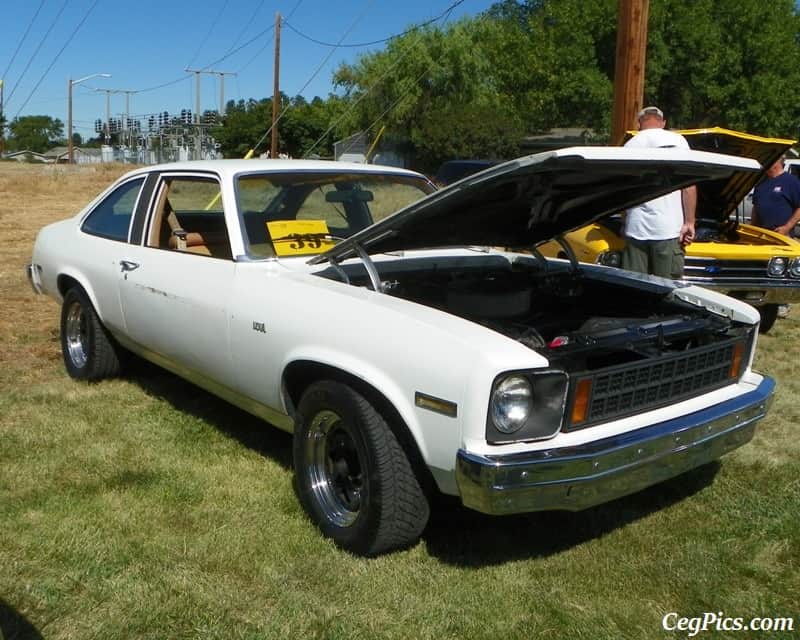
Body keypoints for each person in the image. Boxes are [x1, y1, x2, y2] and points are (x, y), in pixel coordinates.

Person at [622, 106, 697, 278]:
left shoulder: (630, 145)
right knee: (667, 288)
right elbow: (688, 185)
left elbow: (623, 190)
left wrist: (624, 221)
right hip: (668, 229)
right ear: (663, 123)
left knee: (635, 287)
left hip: (636, 228)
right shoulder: (678, 141)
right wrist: (689, 223)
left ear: (639, 124)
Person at [751, 156, 800, 237]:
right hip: (762, 235)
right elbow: (756, 207)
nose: (763, 163)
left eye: (767, 160)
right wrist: (753, 227)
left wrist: (786, 228)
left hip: (782, 235)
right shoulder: (760, 183)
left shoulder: (791, 181)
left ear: (777, 161)